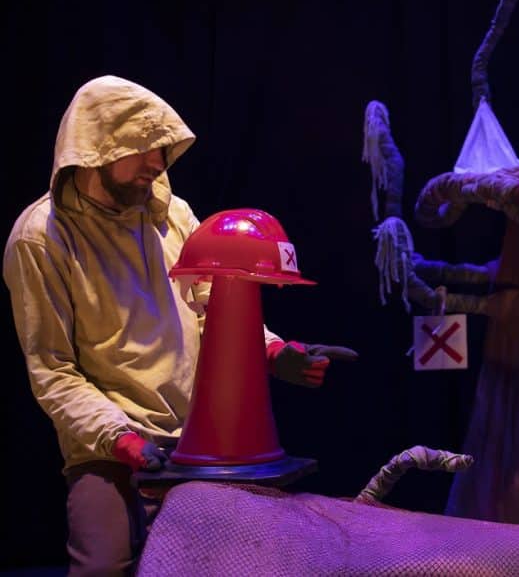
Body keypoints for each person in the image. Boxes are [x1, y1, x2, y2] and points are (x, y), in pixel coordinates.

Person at [2, 75, 358, 575]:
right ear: (98, 144)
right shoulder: (41, 239)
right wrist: (119, 438)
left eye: (162, 148)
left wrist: (272, 352)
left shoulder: (173, 217)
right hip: (109, 447)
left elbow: (216, 312)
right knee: (105, 565)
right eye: (144, 146)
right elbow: (53, 370)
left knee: (251, 554)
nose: (158, 162)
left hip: (200, 438)